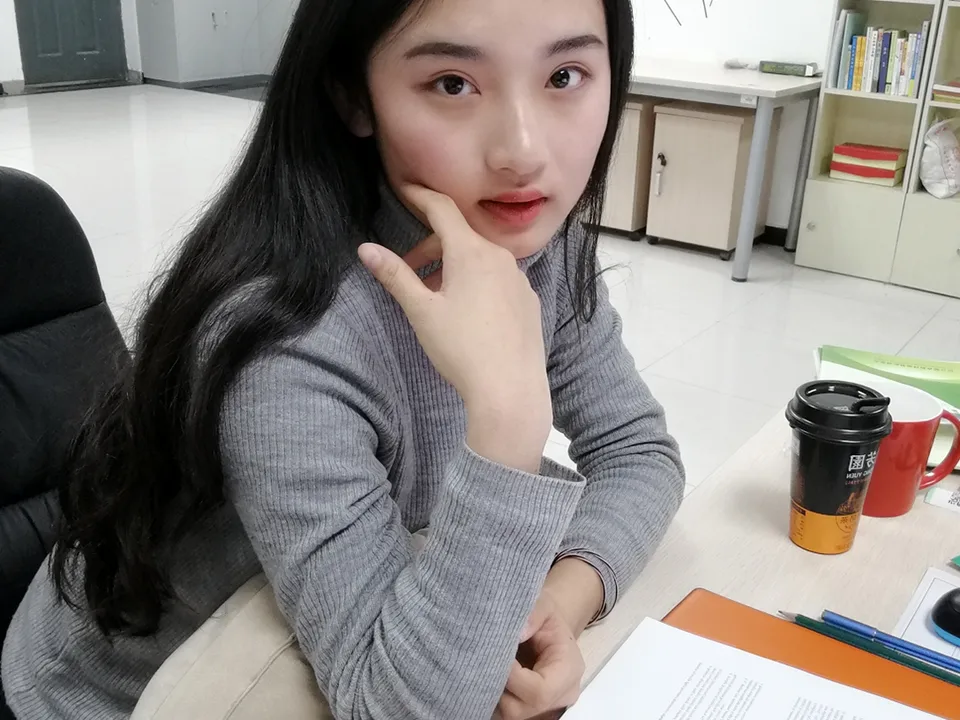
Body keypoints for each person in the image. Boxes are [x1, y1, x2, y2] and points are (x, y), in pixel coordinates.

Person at [1, 0, 685, 717]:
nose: (522, 150)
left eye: (565, 76)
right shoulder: (288, 342)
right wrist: (508, 419)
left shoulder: (535, 243)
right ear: (354, 95)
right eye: (453, 83)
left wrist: (554, 609)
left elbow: (640, 453)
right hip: (132, 698)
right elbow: (396, 707)